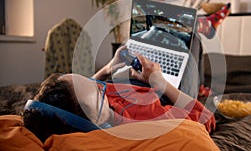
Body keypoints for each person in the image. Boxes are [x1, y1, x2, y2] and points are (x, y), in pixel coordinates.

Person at [23, 46, 216, 142]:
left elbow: (80, 97)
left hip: (140, 79)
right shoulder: (142, 121)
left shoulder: (91, 107)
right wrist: (161, 82)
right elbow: (206, 120)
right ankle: (201, 86)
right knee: (189, 49)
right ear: (96, 121)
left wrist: (106, 69)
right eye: (98, 89)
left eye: (91, 80)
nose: (99, 84)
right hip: (167, 90)